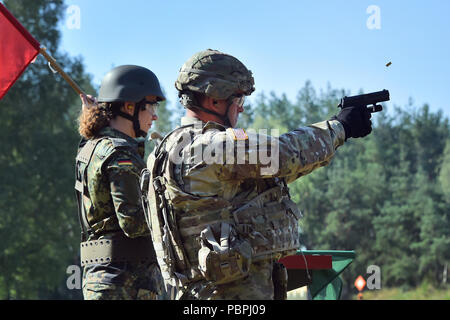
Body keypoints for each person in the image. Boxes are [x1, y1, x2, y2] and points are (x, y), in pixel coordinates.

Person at [141, 49, 372, 300]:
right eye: (238, 99)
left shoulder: (168, 148)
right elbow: (284, 155)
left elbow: (266, 177)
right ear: (213, 99)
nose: (240, 110)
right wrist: (339, 128)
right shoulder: (213, 146)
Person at [75, 65, 166, 300]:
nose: (155, 115)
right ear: (129, 106)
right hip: (126, 283)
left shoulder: (91, 148)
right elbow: (133, 222)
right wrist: (172, 210)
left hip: (104, 280)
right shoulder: (120, 154)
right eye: (151, 106)